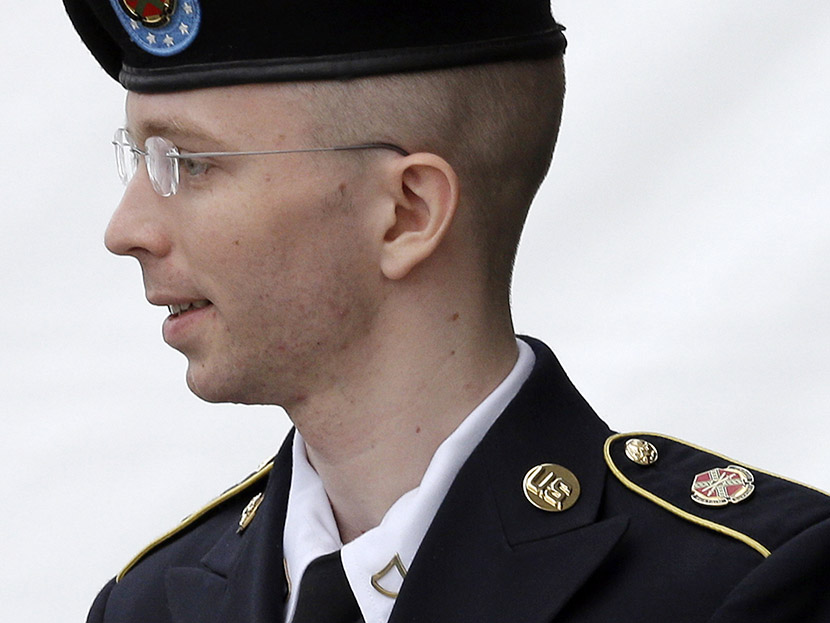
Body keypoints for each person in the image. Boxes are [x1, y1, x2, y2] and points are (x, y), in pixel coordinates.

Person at [63, 1, 830, 622]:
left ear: (406, 212)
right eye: (140, 159)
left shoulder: (744, 590)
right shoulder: (147, 606)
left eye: (189, 163)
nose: (126, 230)